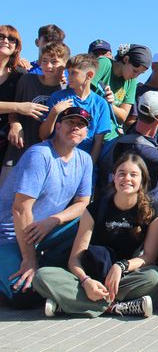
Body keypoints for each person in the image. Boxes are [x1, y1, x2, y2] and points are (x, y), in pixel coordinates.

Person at [32, 153, 158, 318]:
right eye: (121, 173)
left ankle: (70, 304)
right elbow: (74, 259)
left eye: (133, 174)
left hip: (123, 277)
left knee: (154, 276)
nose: (127, 178)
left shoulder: (154, 210)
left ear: (143, 180)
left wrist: (120, 266)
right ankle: (117, 307)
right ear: (114, 177)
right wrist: (86, 281)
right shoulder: (95, 209)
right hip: (91, 275)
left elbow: (149, 257)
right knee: (41, 276)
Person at [0, 107, 93, 307]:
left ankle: (56, 269)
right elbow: (20, 210)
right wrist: (29, 259)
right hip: (9, 235)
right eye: (70, 123)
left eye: (81, 125)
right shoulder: (40, 155)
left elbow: (83, 203)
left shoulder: (84, 160)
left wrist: (53, 220)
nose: (75, 128)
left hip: (43, 230)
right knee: (24, 297)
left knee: (87, 222)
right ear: (57, 127)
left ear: (86, 133)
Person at [107, 91, 158, 202]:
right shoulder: (142, 150)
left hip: (153, 196)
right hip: (147, 204)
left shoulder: (135, 130)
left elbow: (155, 146)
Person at [3, 41, 70, 175]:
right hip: (18, 149)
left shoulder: (66, 91)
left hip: (47, 156)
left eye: (54, 61)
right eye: (45, 60)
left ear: (65, 65)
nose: (48, 66)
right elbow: (14, 108)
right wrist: (15, 124)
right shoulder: (27, 80)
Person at [41, 54, 112, 164]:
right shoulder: (57, 97)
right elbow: (43, 135)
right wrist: (54, 112)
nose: (69, 76)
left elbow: (98, 142)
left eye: (74, 73)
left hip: (83, 162)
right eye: (68, 72)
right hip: (56, 160)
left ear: (89, 75)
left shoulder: (101, 104)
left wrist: (89, 168)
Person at [92, 44, 152, 154]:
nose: (136, 76)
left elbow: (123, 116)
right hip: (90, 130)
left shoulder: (131, 81)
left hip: (110, 138)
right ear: (126, 59)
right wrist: (102, 100)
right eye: (135, 70)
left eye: (140, 73)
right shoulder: (105, 64)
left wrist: (109, 104)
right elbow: (82, 91)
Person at [0, 25, 27, 165]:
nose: (5, 41)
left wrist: (15, 122)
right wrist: (18, 107)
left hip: (5, 143)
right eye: (1, 37)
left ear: (16, 46)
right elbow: (21, 105)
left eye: (11, 39)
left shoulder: (20, 75)